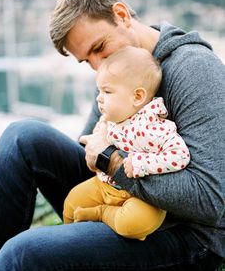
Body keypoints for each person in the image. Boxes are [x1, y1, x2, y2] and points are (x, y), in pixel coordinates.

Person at [0, 0, 224, 270]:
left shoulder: (194, 68)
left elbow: (212, 201)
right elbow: (90, 149)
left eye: (99, 47)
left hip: (183, 234)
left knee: (22, 254)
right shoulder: (115, 69)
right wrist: (98, 155)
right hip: (114, 195)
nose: (98, 65)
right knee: (20, 136)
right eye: (86, 60)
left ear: (122, 16)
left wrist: (111, 160)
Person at [63, 46, 190, 242]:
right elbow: (95, 152)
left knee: (135, 224)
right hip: (104, 185)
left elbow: (180, 156)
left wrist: (142, 163)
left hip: (140, 196)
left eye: (107, 91)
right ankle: (68, 244)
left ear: (137, 97)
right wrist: (93, 154)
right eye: (99, 90)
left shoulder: (153, 127)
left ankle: (101, 213)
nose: (99, 97)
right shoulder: (108, 120)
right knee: (72, 202)